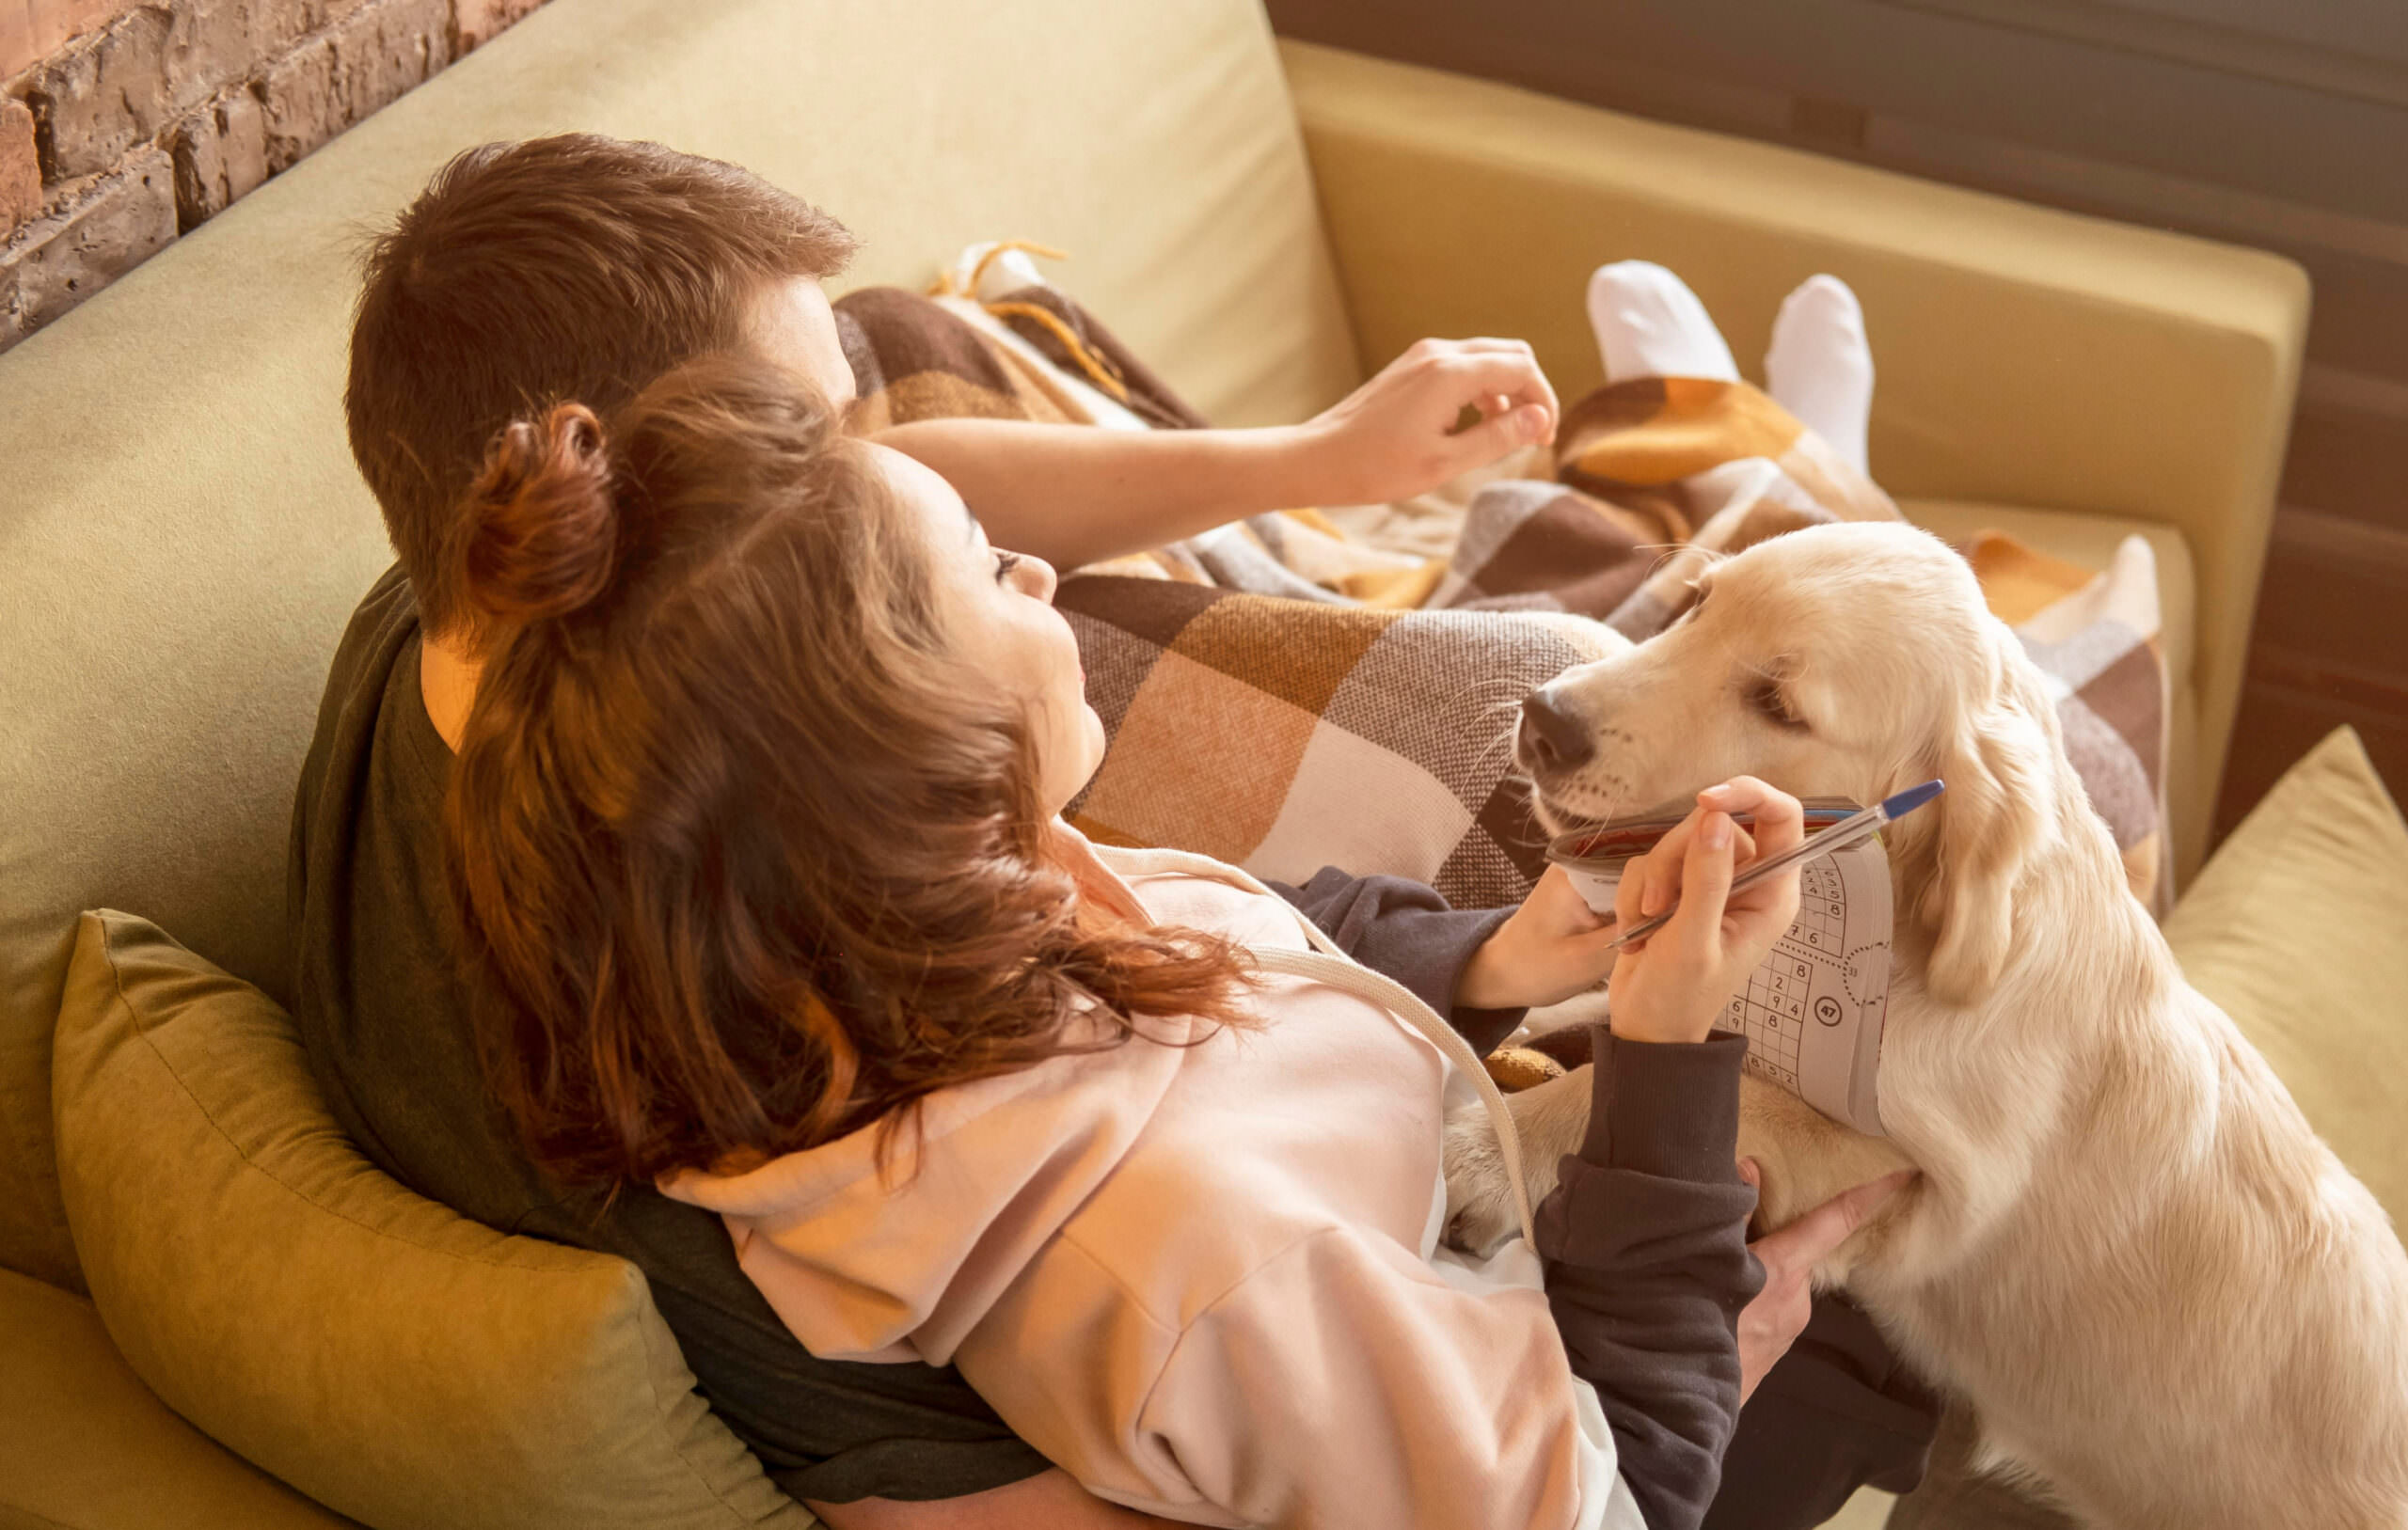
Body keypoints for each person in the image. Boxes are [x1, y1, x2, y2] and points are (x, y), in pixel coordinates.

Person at [293, 133, 1569, 1529]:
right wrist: (1656, 1371)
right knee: (1514, 695)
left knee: (913, 337)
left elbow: (889, 481)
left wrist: (1312, 455)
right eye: (811, 446)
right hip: (1480, 1354)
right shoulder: (721, 1080)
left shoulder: (469, 602)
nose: (855, 464)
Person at [439, 351, 1913, 1530]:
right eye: (979, 567)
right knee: (1897, 1334)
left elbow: (1250, 957)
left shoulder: (925, 934)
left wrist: (1501, 961)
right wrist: (1670, 1060)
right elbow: (1610, 1503)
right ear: (914, 748)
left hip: (1490, 1260)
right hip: (1604, 1402)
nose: (1034, 570)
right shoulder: (1207, 1273)